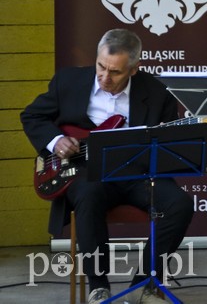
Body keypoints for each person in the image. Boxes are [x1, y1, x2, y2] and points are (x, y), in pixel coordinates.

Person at [21, 29, 194, 304]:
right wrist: (55, 141)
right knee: (88, 196)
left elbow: (167, 147)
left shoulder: (157, 91)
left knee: (180, 204)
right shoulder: (69, 81)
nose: (104, 77)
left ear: (134, 69)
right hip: (87, 173)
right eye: (101, 66)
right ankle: (98, 286)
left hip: (139, 174)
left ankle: (145, 284)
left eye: (115, 72)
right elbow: (31, 116)